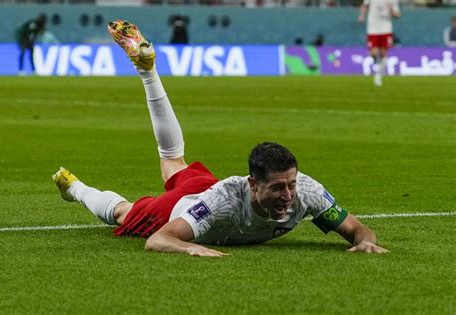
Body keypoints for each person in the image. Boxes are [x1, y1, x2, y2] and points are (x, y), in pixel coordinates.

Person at [53, 20, 388, 257]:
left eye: (291, 185)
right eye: (278, 188)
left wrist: (366, 240)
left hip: (205, 186)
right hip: (182, 207)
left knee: (173, 160)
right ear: (253, 183)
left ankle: (148, 71)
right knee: (125, 212)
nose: (288, 194)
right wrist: (191, 246)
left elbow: (356, 228)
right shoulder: (224, 201)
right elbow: (159, 240)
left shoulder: (306, 192)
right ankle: (75, 188)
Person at [358, 0, 400, 86]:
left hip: (386, 28)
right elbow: (364, 6)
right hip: (373, 28)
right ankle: (378, 67)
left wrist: (391, 9)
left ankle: (378, 75)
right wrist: (362, 15)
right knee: (373, 53)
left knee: (383, 53)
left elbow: (397, 15)